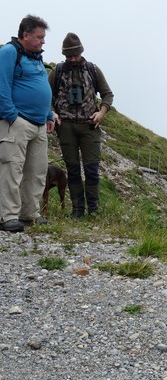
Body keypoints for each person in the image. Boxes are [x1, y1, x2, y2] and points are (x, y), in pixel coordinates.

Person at [49, 33, 114, 218]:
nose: (72, 59)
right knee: (73, 170)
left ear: (81, 52)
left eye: (75, 55)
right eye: (68, 56)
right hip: (66, 127)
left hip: (89, 127)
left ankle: (93, 210)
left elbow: (108, 94)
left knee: (92, 169)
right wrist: (52, 112)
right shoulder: (58, 71)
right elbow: (47, 96)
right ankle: (77, 209)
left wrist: (100, 113)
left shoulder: (93, 70)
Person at [0, 15, 55, 232]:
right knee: (12, 168)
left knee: (37, 170)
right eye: (39, 37)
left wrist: (49, 114)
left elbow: (41, 88)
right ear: (25, 35)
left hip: (40, 124)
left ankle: (29, 213)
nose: (43, 41)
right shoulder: (8, 53)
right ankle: (8, 216)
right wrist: (12, 116)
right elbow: (2, 86)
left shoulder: (35, 57)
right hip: (17, 122)